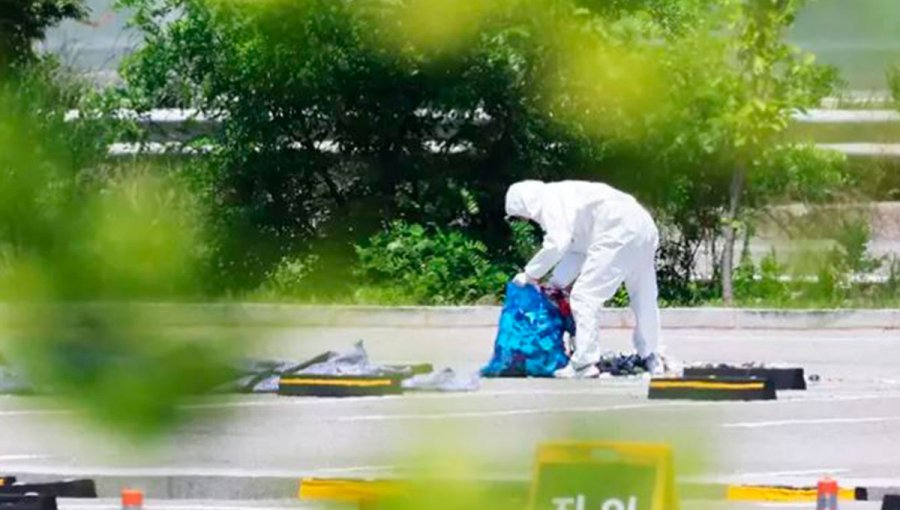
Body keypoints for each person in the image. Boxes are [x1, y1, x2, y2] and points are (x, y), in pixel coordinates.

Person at [505, 179, 668, 378]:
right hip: (643, 226)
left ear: (525, 203)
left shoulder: (550, 201)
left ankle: (584, 363)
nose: (526, 220)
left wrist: (529, 275)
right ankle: (651, 354)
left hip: (617, 229)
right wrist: (555, 284)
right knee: (643, 296)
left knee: (584, 298)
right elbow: (578, 252)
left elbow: (557, 244)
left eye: (522, 215)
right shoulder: (569, 197)